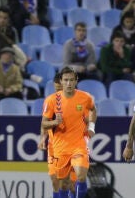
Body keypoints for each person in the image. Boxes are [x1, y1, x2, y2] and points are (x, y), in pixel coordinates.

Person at [41, 66, 97, 198]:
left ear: (76, 81)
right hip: (60, 147)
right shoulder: (51, 100)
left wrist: (91, 127)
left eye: (71, 80)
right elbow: (44, 123)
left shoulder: (85, 97)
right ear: (61, 81)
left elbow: (93, 110)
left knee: (81, 177)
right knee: (63, 184)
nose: (68, 83)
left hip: (79, 145)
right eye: (66, 80)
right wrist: (55, 122)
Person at [38, 73, 77, 198]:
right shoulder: (51, 101)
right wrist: (42, 138)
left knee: (71, 183)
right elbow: (44, 122)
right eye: (56, 89)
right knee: (55, 180)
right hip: (54, 145)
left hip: (72, 146)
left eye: (59, 89)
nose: (58, 92)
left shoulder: (77, 100)